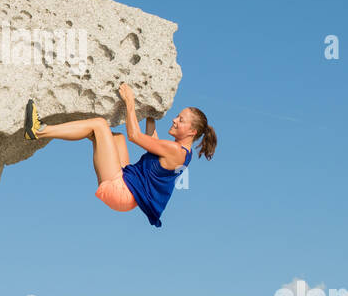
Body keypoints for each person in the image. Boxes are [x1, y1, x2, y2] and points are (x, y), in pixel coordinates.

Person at [23, 83, 216, 227]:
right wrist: (151, 114)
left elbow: (135, 136)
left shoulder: (177, 152)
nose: (174, 120)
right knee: (116, 139)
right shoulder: (181, 152)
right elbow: (151, 140)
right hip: (127, 184)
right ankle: (91, 134)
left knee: (99, 124)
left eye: (180, 120)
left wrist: (130, 102)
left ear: (191, 132)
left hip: (122, 191)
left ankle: (38, 131)